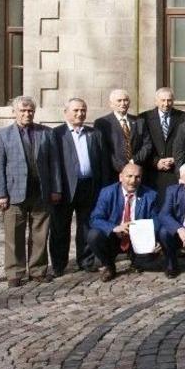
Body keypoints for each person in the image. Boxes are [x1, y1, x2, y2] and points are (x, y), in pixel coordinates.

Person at [0, 96, 63, 287]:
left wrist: (56, 189)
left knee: (40, 233)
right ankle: (14, 272)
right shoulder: (3, 135)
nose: (27, 114)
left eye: (30, 111)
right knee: (13, 234)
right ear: (14, 112)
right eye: (22, 111)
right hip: (14, 192)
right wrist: (0, 194)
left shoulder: (46, 133)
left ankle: (37, 270)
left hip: (41, 191)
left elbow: (54, 163)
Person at [51, 97, 112, 275]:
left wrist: (103, 189)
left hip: (89, 186)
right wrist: (55, 188)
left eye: (83, 110)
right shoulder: (56, 134)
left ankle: (86, 260)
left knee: (86, 226)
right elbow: (53, 164)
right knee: (60, 228)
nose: (80, 114)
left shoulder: (94, 134)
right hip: (65, 189)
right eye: (76, 110)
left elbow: (103, 163)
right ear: (66, 112)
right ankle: (59, 265)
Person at [87, 163, 159, 281]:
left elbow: (156, 221)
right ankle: (109, 265)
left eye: (137, 177)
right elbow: (95, 218)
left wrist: (154, 238)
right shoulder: (107, 192)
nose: (133, 181)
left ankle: (136, 260)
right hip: (114, 237)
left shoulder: (150, 195)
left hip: (138, 238)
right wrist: (115, 228)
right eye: (129, 176)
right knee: (93, 235)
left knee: (148, 262)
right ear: (121, 177)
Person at [139, 87, 185, 200]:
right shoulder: (144, 118)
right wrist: (155, 162)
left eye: (169, 100)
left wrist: (175, 159)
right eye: (163, 100)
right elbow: (141, 145)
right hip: (152, 173)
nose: (166, 104)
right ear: (156, 101)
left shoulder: (184, 117)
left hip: (174, 172)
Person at [94, 89, 151, 173]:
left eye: (125, 100)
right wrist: (121, 166)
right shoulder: (102, 123)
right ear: (111, 104)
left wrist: (134, 161)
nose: (123, 103)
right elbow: (103, 149)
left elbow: (147, 145)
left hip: (137, 170)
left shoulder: (139, 121)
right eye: (119, 100)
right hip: (113, 172)